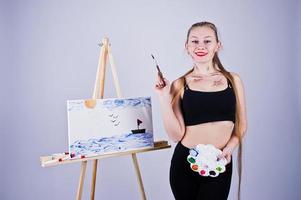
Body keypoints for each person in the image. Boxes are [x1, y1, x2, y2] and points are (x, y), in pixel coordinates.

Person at [155, 21, 247, 200]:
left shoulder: (233, 80)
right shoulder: (180, 84)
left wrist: (229, 148)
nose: (200, 46)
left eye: (207, 41)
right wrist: (163, 97)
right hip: (185, 163)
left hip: (218, 161)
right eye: (195, 41)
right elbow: (176, 135)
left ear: (217, 46)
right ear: (187, 46)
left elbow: (241, 126)